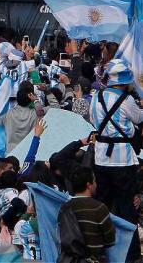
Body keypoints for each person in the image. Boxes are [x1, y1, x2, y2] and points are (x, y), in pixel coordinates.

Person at [89, 59, 142, 260]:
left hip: (101, 158)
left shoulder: (96, 96)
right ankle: (131, 253)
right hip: (123, 160)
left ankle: (100, 249)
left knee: (103, 205)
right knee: (126, 208)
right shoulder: (126, 100)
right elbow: (138, 118)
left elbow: (92, 119)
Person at [58, 167, 116, 263]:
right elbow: (110, 241)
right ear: (88, 185)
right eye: (94, 181)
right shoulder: (99, 208)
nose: (96, 184)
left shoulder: (64, 208)